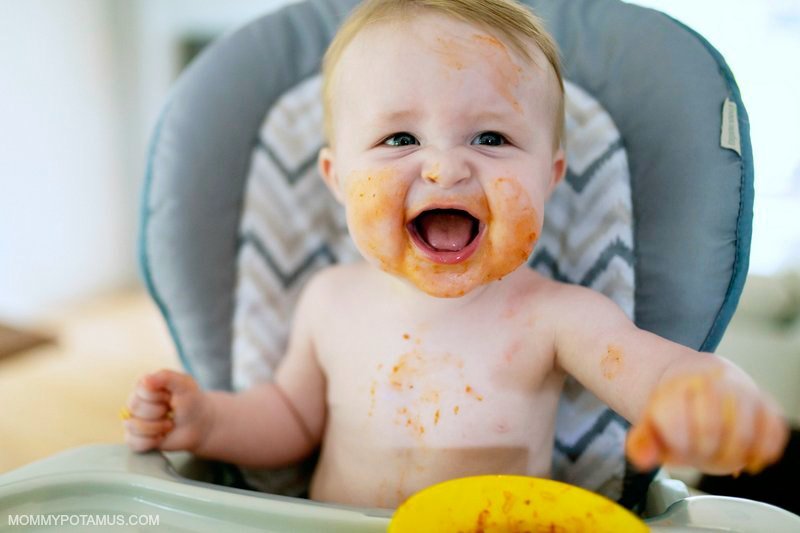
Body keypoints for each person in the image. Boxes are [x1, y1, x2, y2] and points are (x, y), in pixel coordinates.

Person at [122, 0, 788, 509]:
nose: (444, 168)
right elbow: (291, 420)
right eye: (399, 137)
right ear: (334, 178)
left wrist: (707, 394)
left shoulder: (556, 317)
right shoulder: (328, 300)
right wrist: (207, 420)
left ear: (550, 177)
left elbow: (657, 370)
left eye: (492, 137)